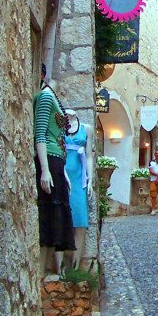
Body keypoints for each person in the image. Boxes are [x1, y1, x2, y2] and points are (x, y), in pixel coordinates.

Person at [33, 74, 75, 273]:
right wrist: (44, 170)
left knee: (55, 216)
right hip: (49, 159)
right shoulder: (46, 97)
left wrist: (62, 171)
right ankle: (41, 271)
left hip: (57, 163)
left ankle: (46, 271)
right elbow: (40, 133)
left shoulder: (50, 96)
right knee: (49, 214)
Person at [64, 109, 92, 267]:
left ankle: (75, 266)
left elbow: (89, 156)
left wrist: (90, 180)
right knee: (63, 220)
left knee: (80, 222)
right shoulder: (60, 127)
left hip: (80, 177)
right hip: (63, 176)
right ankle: (60, 266)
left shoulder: (86, 128)